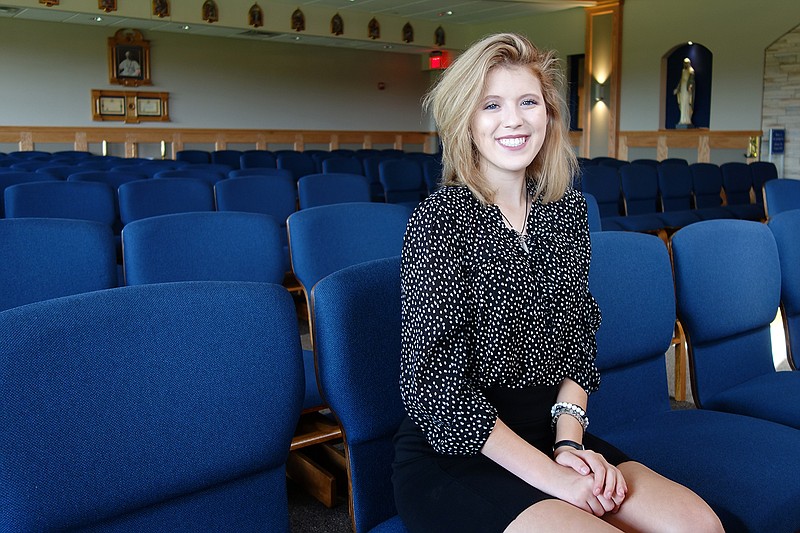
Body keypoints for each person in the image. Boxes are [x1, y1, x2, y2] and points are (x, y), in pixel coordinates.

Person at [392, 33, 723, 533]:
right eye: (491, 105)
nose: (514, 119)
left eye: (529, 101)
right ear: (466, 122)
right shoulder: (439, 220)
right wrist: (556, 479)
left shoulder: (564, 212)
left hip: (549, 431)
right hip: (460, 451)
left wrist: (569, 444)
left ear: (548, 115)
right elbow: (434, 388)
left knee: (699, 526)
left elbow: (578, 341)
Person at [674, 57, 695, 127]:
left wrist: (690, 86)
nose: (686, 65)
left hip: (687, 89)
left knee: (687, 103)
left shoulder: (691, 70)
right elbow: (681, 80)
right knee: (682, 104)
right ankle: (682, 119)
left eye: (687, 63)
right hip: (682, 88)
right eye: (685, 63)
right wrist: (677, 88)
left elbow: (692, 80)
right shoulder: (683, 71)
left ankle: (687, 119)